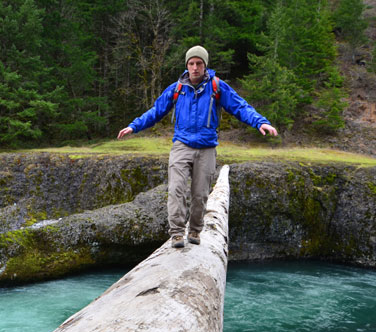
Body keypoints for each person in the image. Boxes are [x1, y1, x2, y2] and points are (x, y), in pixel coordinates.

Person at [117, 45, 278, 248]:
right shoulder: (176, 89)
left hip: (207, 148)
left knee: (200, 194)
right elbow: (155, 111)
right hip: (181, 146)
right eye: (191, 63)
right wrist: (134, 126)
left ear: (205, 65)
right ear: (186, 65)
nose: (195, 67)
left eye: (199, 63)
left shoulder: (217, 87)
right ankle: (176, 233)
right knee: (176, 189)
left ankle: (194, 230)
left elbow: (240, 106)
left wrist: (259, 122)